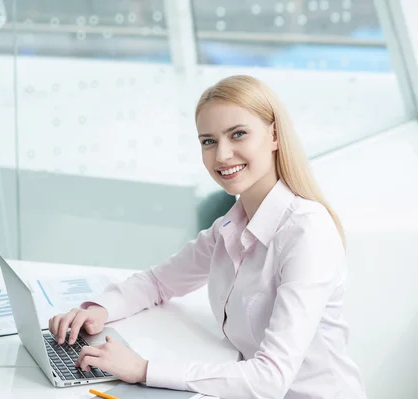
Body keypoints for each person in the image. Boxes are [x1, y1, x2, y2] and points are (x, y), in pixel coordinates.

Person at [48, 75, 366, 398]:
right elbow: (158, 282)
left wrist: (143, 369)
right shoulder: (230, 228)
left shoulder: (306, 233)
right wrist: (98, 310)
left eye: (238, 134)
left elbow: (270, 378)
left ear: (273, 135)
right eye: (208, 141)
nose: (222, 155)